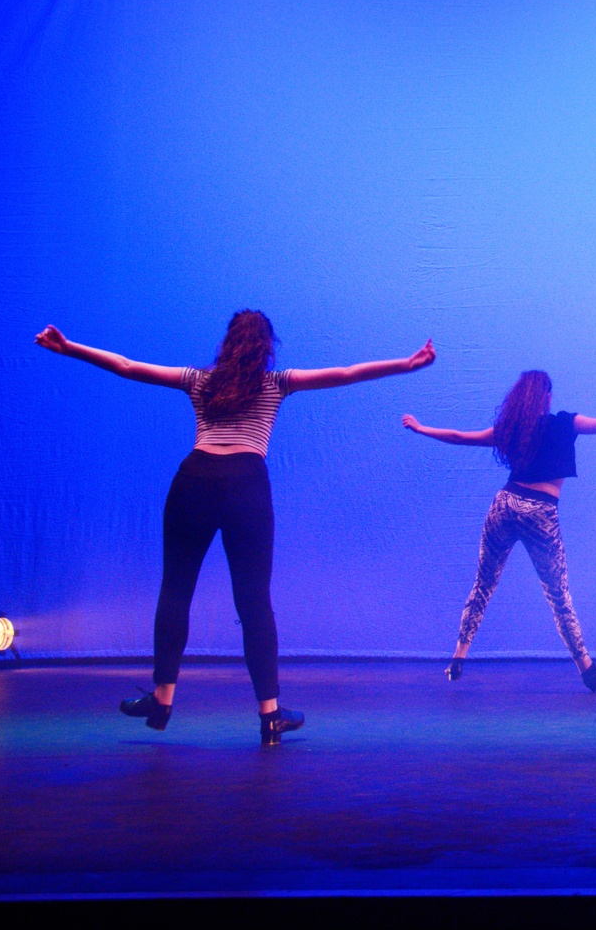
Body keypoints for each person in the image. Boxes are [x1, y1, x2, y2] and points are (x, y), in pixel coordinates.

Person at [33, 312, 435, 745]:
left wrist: (69, 348)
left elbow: (128, 367)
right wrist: (406, 364)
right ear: (267, 346)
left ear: (227, 343)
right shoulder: (276, 383)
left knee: (176, 590)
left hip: (193, 481)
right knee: (254, 601)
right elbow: (346, 373)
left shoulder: (199, 381)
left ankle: (162, 701)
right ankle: (270, 715)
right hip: (246, 485)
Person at [403, 373, 596, 691]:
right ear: (546, 397)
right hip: (540, 512)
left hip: (504, 505)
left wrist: (421, 428)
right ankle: (587, 668)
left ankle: (458, 658)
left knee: (484, 584)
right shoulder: (563, 423)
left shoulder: (511, 430)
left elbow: (459, 437)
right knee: (558, 594)